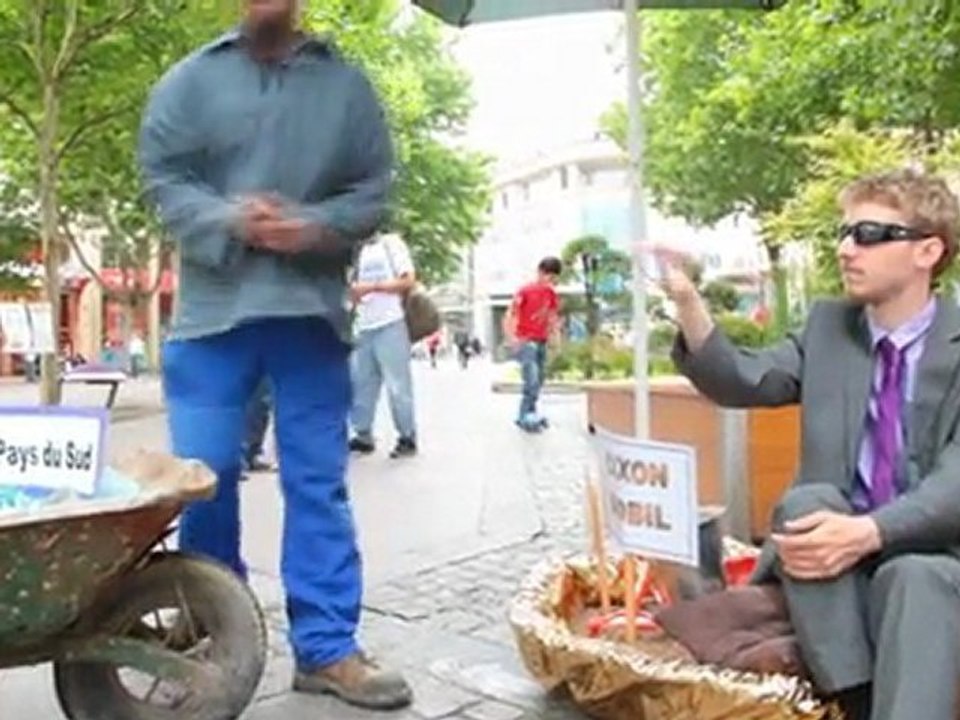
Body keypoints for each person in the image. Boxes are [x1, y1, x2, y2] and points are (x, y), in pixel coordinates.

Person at [138, 0, 412, 711]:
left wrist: (313, 227)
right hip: (210, 322)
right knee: (204, 478)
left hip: (310, 321)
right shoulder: (188, 83)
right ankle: (210, 636)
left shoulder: (346, 88)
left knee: (318, 483)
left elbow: (374, 189)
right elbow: (163, 180)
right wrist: (233, 220)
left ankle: (326, 649)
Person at [659, 169, 960, 720]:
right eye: (843, 234)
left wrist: (871, 532)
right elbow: (743, 380)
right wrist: (688, 302)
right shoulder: (829, 327)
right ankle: (859, 696)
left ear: (928, 250)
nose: (847, 249)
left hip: (937, 551)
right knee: (803, 505)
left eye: (869, 234)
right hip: (830, 565)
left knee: (912, 575)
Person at [347, 232, 418, 458]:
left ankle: (407, 436)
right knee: (361, 384)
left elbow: (408, 280)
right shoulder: (356, 249)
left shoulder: (391, 243)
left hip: (390, 322)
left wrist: (371, 287)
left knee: (397, 385)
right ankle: (363, 435)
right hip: (363, 324)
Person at [504, 257, 562, 432]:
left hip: (541, 340)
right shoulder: (525, 291)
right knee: (532, 379)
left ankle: (531, 413)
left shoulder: (551, 294)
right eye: (548, 277)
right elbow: (511, 314)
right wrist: (511, 338)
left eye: (553, 279)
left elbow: (552, 317)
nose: (550, 282)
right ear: (540, 272)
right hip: (526, 340)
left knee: (539, 379)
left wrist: (556, 339)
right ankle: (523, 415)